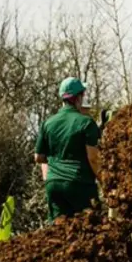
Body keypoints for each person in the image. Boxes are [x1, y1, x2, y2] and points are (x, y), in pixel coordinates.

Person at [34, 77, 102, 222]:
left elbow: (39, 157)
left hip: (54, 185)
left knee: (58, 233)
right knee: (90, 230)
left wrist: (50, 176)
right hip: (79, 184)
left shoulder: (47, 123)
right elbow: (93, 158)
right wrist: (104, 180)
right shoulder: (86, 122)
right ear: (78, 98)